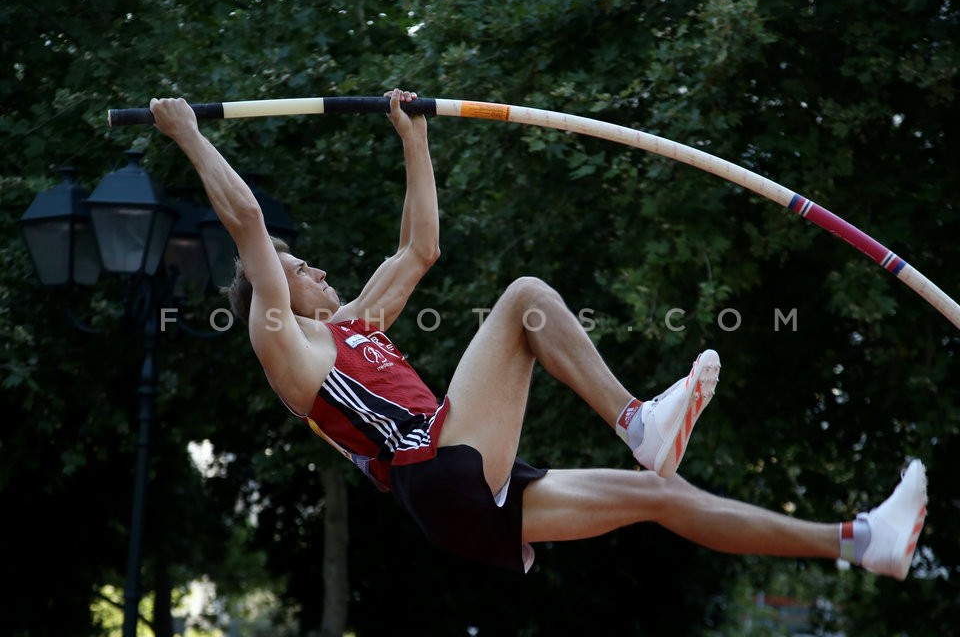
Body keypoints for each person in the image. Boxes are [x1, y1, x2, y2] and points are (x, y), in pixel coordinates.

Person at [150, 90, 928, 579]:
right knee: (525, 300)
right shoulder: (284, 337)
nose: (311, 267)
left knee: (663, 497)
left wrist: (413, 139)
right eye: (295, 264)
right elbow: (246, 218)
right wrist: (186, 132)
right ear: (267, 288)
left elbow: (421, 249)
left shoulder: (353, 325)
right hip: (439, 466)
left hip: (460, 486)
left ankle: (860, 541)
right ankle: (634, 419)